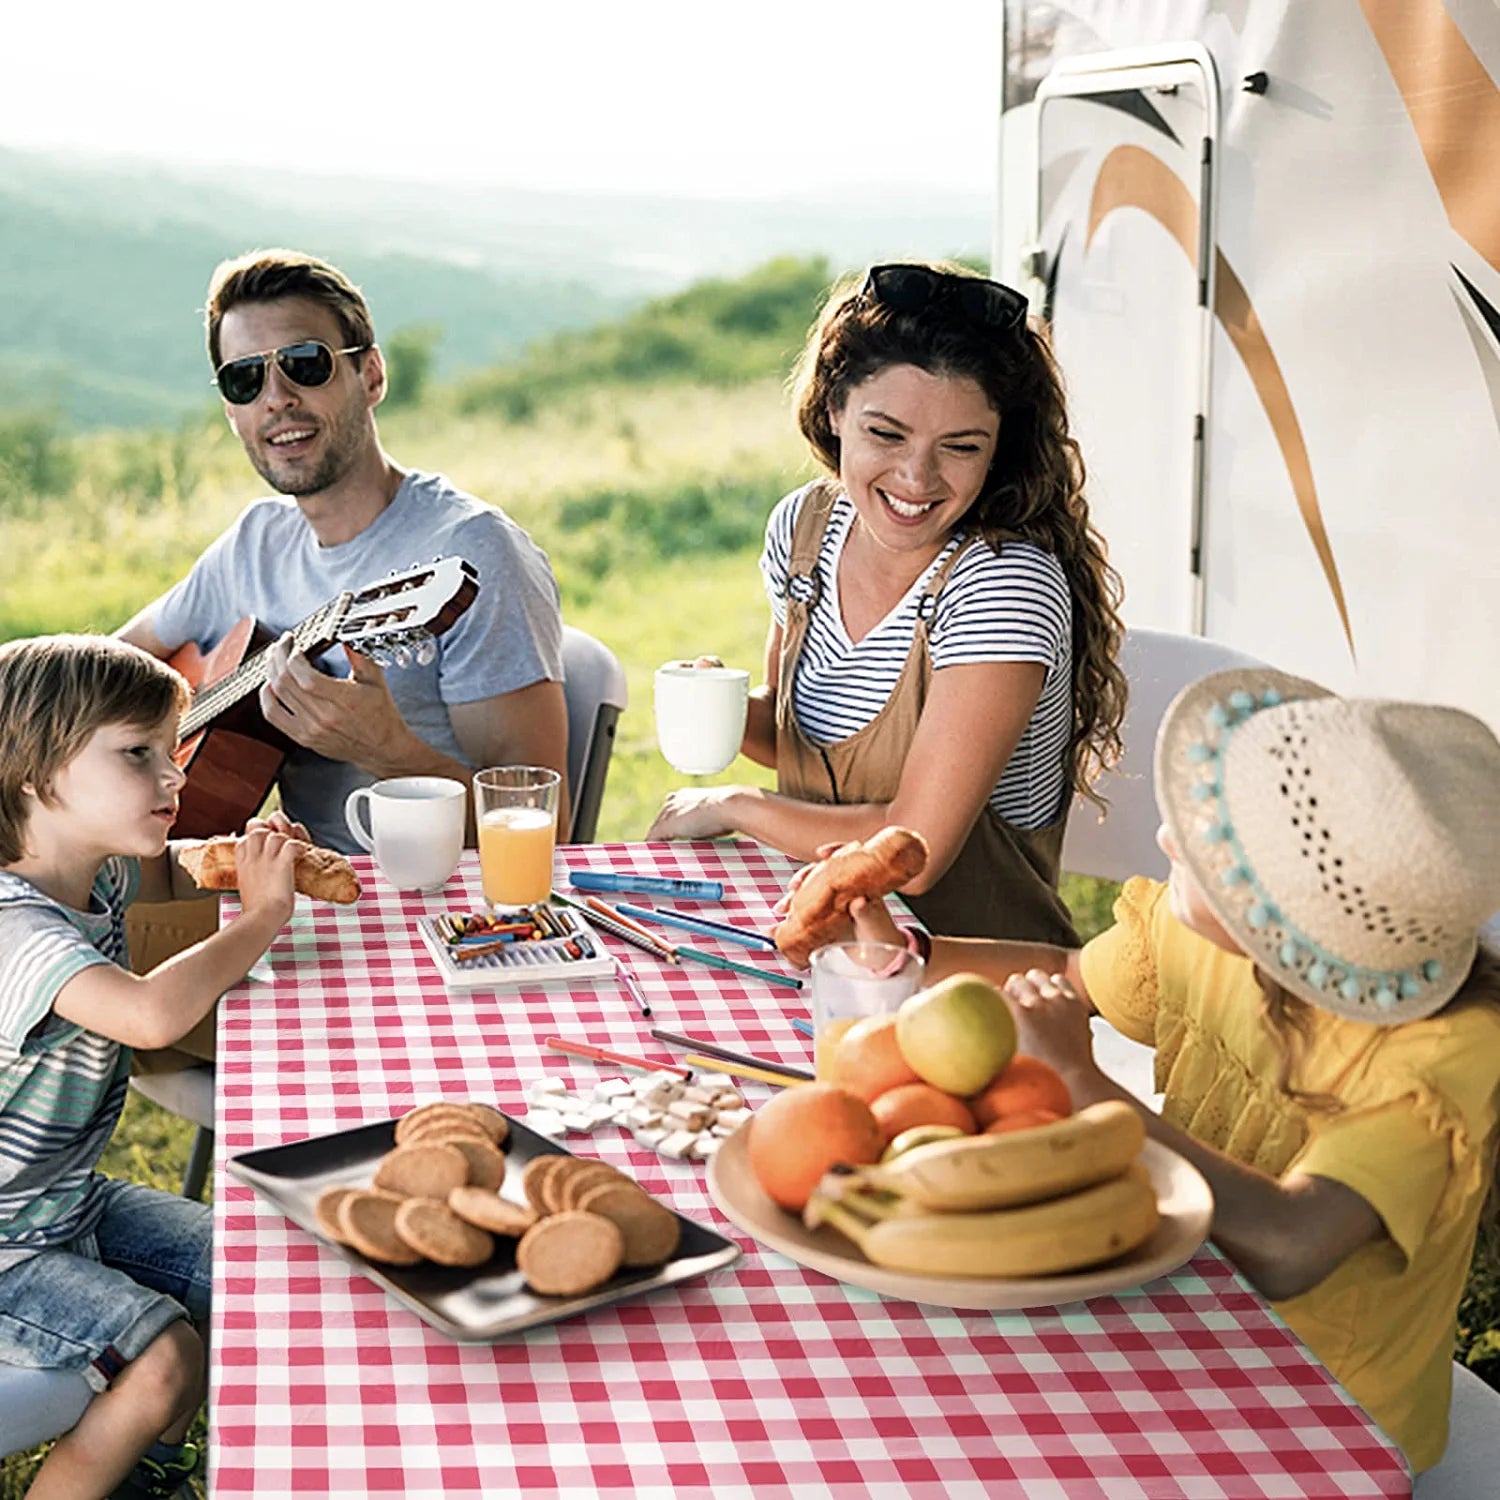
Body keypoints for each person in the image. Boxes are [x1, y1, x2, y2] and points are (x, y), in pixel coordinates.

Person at [825, 665, 1500, 1473]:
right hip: (1181, 1310)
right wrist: (897, 951)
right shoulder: (1203, 940)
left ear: (1283, 922)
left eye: (1213, 847)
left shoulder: (1444, 1055)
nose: (1170, 838)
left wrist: (1086, 1084)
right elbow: (1065, 977)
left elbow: (1292, 1244)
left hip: (1321, 1417)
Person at [647, 262, 1126, 943]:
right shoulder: (806, 529)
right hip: (824, 944)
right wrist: (719, 703)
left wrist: (734, 806)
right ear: (835, 410)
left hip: (976, 984)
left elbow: (916, 849)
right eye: (887, 434)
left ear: (999, 448)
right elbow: (798, 738)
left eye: (960, 447)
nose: (916, 478)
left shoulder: (1001, 583)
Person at [118, 248, 569, 854]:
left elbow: (542, 836)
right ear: (232, 411)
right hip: (286, 895)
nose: (275, 397)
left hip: (432, 909)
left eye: (305, 364)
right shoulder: (257, 541)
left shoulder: (474, 553)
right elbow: (116, 658)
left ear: (372, 375)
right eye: (245, 379)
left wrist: (388, 750)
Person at [0, 635, 309, 1499]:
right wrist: (261, 916)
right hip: (5, 1242)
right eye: (138, 755)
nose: (174, 780)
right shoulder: (12, 929)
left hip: (58, 1204)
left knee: (251, 1269)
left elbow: (179, 869)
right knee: (166, 1355)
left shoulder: (88, 878)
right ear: (32, 771)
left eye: (170, 755)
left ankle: (153, 1473)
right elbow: (150, 1014)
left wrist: (251, 855)